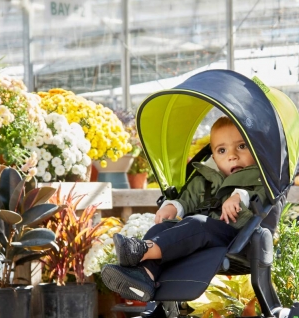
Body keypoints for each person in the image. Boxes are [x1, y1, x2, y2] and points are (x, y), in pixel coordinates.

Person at [101, 116, 268, 302]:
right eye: (222, 150)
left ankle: (141, 250)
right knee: (163, 228)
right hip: (198, 233)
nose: (232, 156)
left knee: (197, 223)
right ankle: (145, 275)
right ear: (213, 157)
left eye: (242, 146)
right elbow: (187, 199)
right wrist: (173, 206)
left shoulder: (260, 177)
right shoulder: (204, 179)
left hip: (233, 236)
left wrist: (238, 197)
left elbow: (261, 195)